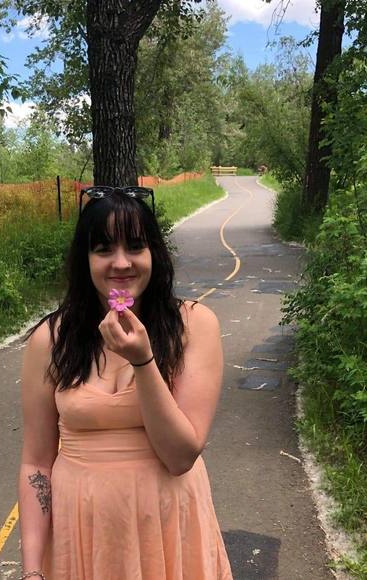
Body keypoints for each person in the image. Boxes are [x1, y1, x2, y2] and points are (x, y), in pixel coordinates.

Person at [18, 187, 233, 580]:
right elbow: (36, 464)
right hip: (83, 537)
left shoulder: (193, 326)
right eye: (103, 249)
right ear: (85, 260)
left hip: (169, 530)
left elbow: (180, 456)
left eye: (135, 246)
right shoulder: (51, 340)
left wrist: (143, 361)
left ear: (155, 254)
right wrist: (31, 572)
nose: (121, 262)